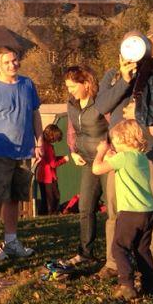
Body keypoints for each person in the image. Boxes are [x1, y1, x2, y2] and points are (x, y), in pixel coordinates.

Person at [95, 32, 153, 278]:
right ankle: (114, 263)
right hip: (121, 150)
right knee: (115, 209)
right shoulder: (113, 75)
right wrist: (125, 81)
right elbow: (102, 106)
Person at [0, 46, 42, 261]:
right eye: (6, 62)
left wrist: (39, 142)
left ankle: (12, 241)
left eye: (14, 60)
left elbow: (35, 115)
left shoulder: (27, 84)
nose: (12, 65)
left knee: (15, 198)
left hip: (23, 151)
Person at [92, 120, 153, 300]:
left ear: (122, 139)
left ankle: (127, 284)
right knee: (142, 249)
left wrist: (101, 151)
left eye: (115, 140)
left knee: (119, 248)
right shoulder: (141, 157)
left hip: (131, 212)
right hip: (149, 211)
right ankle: (150, 284)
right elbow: (120, 162)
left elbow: (97, 169)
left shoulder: (123, 158)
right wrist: (112, 154)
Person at [61, 65, 110, 266]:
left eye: (73, 86)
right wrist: (73, 151)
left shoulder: (101, 102)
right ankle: (86, 253)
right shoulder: (72, 103)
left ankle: (116, 257)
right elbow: (72, 129)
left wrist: (110, 150)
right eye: (68, 87)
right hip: (87, 162)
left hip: (107, 161)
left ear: (87, 84)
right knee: (85, 207)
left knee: (114, 210)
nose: (70, 90)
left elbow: (114, 126)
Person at [36, 124, 68, 215]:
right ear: (51, 136)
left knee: (45, 199)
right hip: (48, 178)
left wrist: (62, 157)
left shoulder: (43, 145)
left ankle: (44, 214)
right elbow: (53, 164)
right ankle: (52, 214)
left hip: (42, 176)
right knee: (53, 198)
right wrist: (65, 159)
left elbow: (51, 160)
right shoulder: (48, 147)